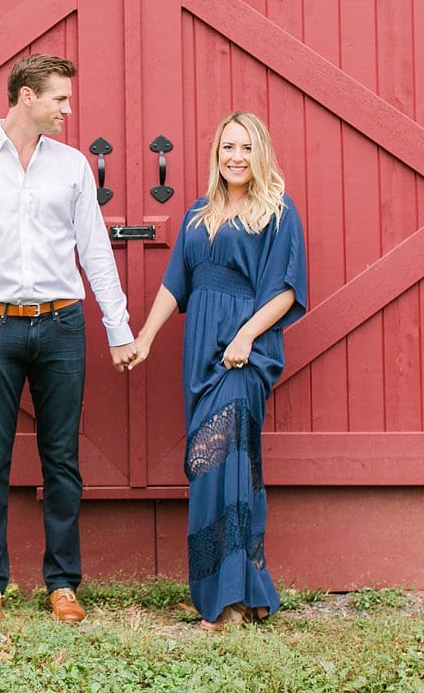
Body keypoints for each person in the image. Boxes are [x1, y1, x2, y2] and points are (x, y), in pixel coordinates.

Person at [0, 54, 138, 623]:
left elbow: (94, 250)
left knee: (62, 459)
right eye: (60, 100)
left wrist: (116, 327)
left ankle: (62, 583)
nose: (68, 110)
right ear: (26, 97)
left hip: (62, 325)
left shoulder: (72, 167)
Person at [120, 111, 307, 630]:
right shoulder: (199, 214)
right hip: (199, 353)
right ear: (216, 154)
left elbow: (288, 288)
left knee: (230, 468)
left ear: (261, 152)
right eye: (228, 147)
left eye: (246, 147)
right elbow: (174, 284)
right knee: (205, 468)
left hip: (242, 353)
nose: (237, 157)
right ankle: (214, 589)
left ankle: (235, 599)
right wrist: (146, 337)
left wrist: (246, 336)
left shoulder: (277, 211)